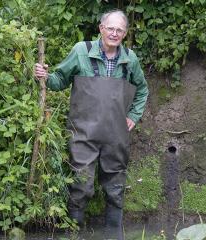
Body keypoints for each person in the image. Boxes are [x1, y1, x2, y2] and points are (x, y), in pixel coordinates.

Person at [34, 9, 148, 240]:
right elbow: (58, 81)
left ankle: (113, 235)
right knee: (81, 185)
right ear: (101, 28)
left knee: (115, 189)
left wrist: (133, 117)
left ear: (125, 34)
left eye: (119, 30)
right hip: (82, 133)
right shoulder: (81, 51)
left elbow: (142, 89)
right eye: (110, 28)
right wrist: (44, 76)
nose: (114, 33)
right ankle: (72, 233)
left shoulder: (130, 59)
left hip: (116, 135)